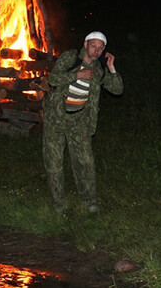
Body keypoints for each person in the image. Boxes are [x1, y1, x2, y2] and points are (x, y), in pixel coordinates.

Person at [42, 31, 123, 213]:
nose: (96, 51)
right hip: (56, 118)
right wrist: (77, 75)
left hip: (79, 120)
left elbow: (118, 89)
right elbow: (53, 79)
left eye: (101, 48)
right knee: (54, 163)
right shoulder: (70, 57)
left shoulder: (99, 68)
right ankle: (58, 205)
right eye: (93, 46)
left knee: (85, 162)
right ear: (85, 44)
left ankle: (89, 201)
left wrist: (111, 67)